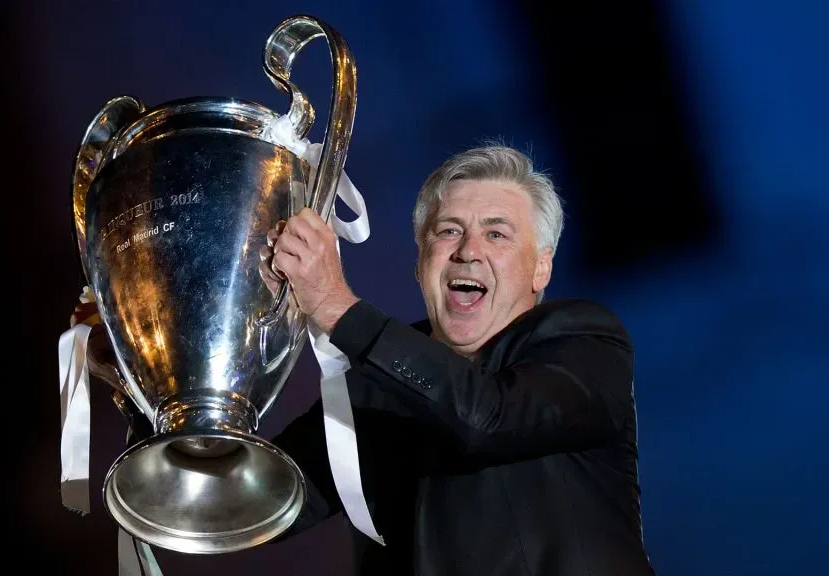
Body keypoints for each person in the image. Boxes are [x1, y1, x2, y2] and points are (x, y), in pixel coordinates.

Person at [256, 144, 657, 575]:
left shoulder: (585, 341)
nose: (468, 250)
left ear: (541, 268)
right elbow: (261, 502)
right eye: (448, 231)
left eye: (497, 234)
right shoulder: (373, 384)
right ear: (420, 263)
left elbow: (487, 416)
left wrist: (336, 306)